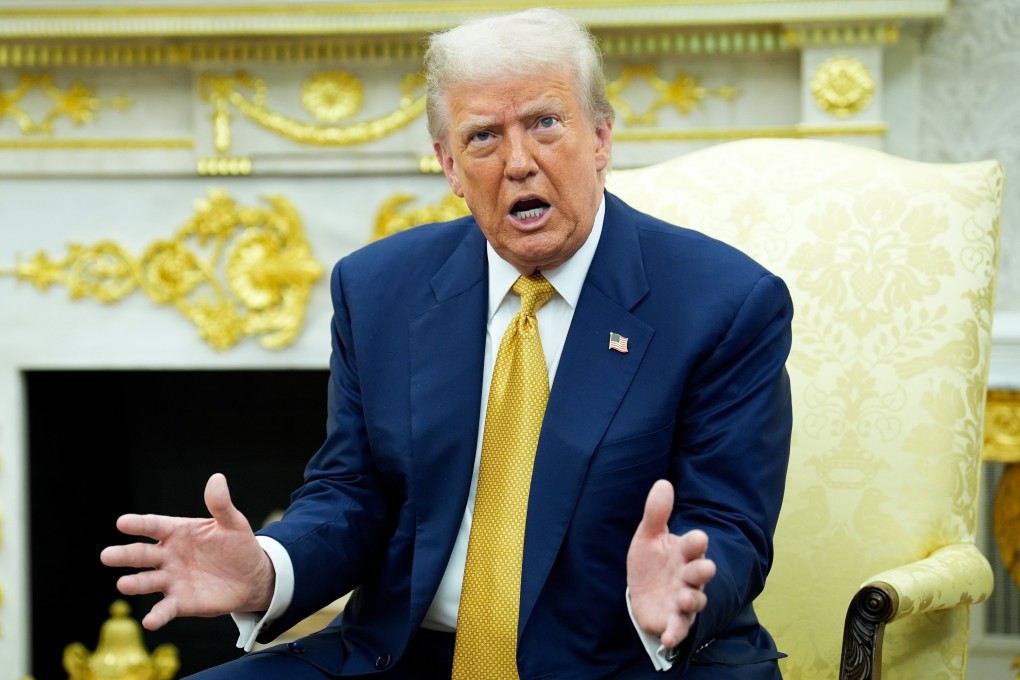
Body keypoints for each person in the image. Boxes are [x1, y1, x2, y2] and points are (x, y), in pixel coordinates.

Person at [101, 7, 793, 679]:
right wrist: (269, 568)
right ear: (449, 165)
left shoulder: (722, 304)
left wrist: (678, 592)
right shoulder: (378, 289)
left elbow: (727, 523)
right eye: (483, 137)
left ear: (603, 137)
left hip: (618, 659)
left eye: (546, 124)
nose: (518, 161)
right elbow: (353, 492)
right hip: (405, 658)